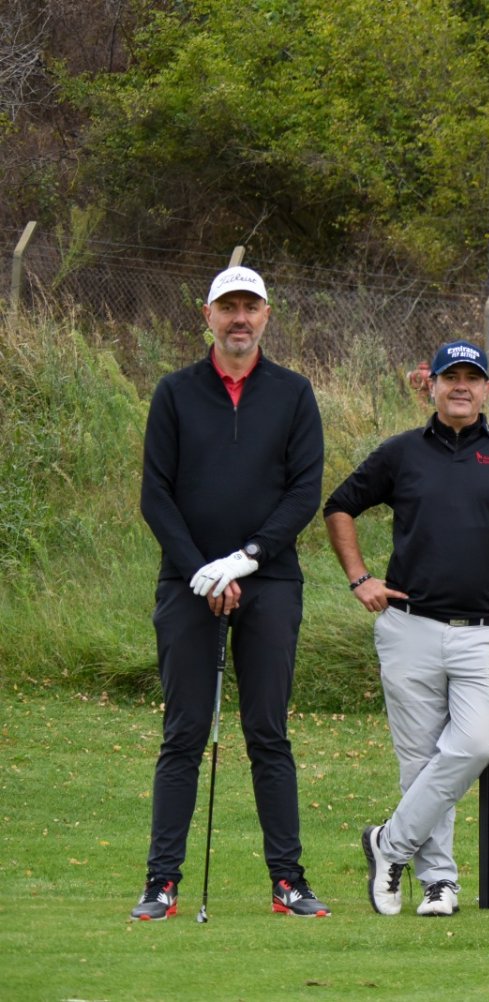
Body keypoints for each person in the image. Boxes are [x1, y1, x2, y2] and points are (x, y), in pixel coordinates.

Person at [323, 339, 489, 917]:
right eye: (450, 377)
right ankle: (439, 881)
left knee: (473, 745)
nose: (461, 386)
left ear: (486, 389)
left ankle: (388, 844)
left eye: (472, 377)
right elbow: (339, 506)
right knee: (419, 762)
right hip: (410, 628)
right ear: (430, 386)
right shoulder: (402, 452)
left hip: (487, 631)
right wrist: (359, 578)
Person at [134, 265, 328, 919]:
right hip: (187, 581)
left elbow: (303, 491)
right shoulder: (175, 392)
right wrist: (203, 570)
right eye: (228, 307)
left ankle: (288, 882)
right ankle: (161, 883)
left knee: (267, 732)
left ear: (266, 315)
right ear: (208, 316)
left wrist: (244, 561)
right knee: (184, 732)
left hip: (269, 579)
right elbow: (156, 494)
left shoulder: (294, 393)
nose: (239, 318)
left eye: (250, 307)